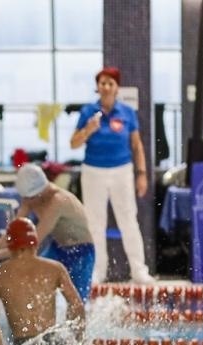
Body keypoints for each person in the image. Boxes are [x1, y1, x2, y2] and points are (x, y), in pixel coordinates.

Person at [70, 66, 153, 285]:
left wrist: (141, 174)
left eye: (110, 83)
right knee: (95, 223)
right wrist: (88, 130)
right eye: (102, 83)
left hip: (122, 171)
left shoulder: (127, 112)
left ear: (117, 88)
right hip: (93, 171)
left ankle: (139, 270)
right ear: (97, 87)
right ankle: (97, 271)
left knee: (128, 220)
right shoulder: (88, 112)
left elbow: (137, 145)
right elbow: (73, 143)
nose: (106, 87)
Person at [0, 162, 96, 301]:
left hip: (81, 252)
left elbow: (31, 244)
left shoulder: (58, 201)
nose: (28, 202)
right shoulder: (31, 198)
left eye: (30, 198)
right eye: (25, 198)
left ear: (41, 190)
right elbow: (12, 231)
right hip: (57, 248)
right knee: (35, 287)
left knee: (77, 301)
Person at [0, 218, 83, 345]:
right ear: (35, 243)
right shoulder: (55, 269)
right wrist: (77, 340)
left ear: (9, 246)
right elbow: (76, 305)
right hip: (51, 342)